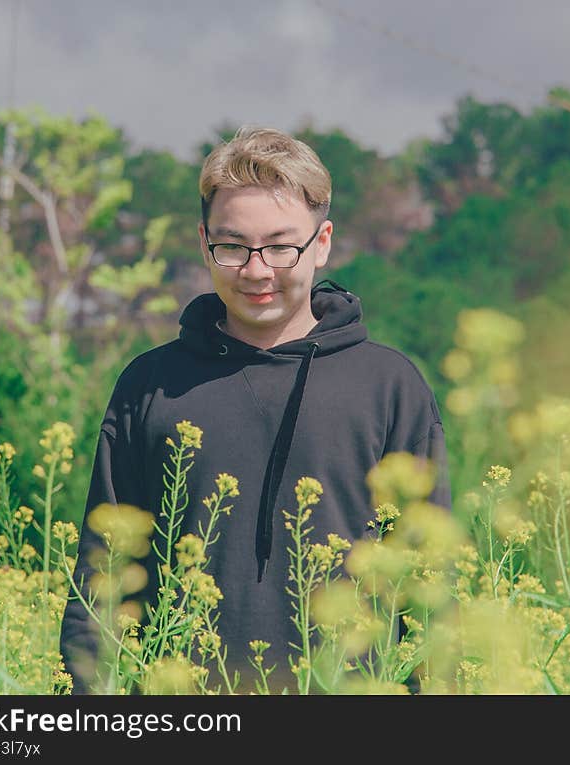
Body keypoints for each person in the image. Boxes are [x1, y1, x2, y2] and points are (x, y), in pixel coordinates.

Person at [59, 126, 451, 694]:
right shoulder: (150, 385)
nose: (257, 270)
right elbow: (102, 580)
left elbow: (427, 586)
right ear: (204, 244)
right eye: (233, 246)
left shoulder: (390, 386)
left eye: (280, 245)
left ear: (321, 243)